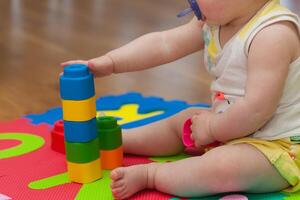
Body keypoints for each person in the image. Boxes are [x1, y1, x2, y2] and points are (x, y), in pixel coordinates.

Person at [61, 0, 300, 199]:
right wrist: (111, 62)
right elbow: (164, 44)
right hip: (229, 127)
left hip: (279, 148)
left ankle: (152, 175)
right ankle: (117, 141)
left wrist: (213, 128)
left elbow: (257, 109)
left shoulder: (272, 35)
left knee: (223, 166)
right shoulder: (214, 21)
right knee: (183, 120)